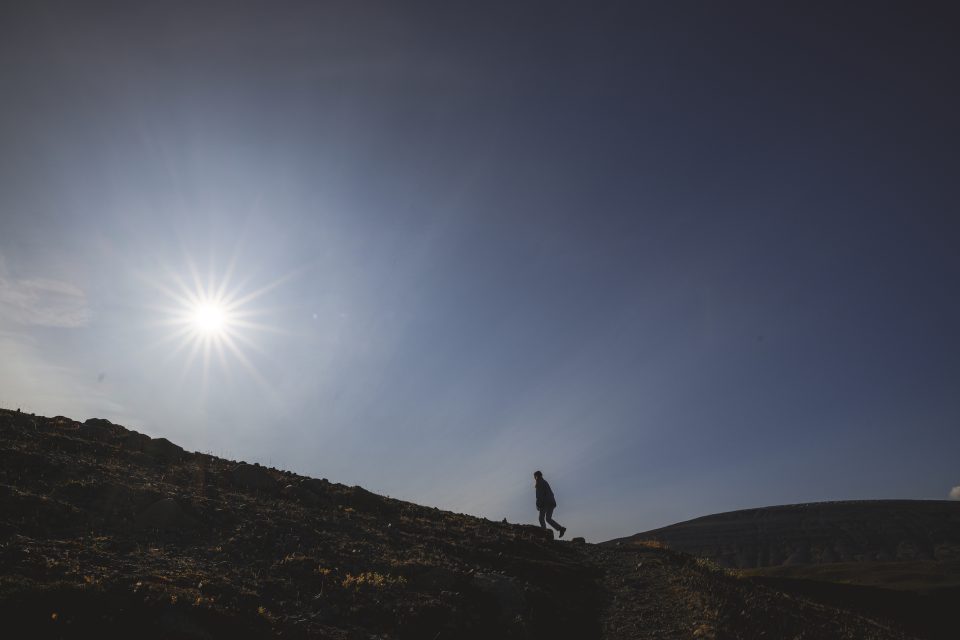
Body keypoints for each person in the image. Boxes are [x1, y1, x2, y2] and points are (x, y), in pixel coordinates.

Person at [534, 470, 566, 538]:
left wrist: (538, 504)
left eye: (534, 476)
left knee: (541, 518)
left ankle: (544, 533)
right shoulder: (545, 482)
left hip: (545, 502)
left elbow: (540, 495)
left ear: (536, 476)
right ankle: (560, 528)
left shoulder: (539, 482)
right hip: (551, 502)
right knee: (548, 518)